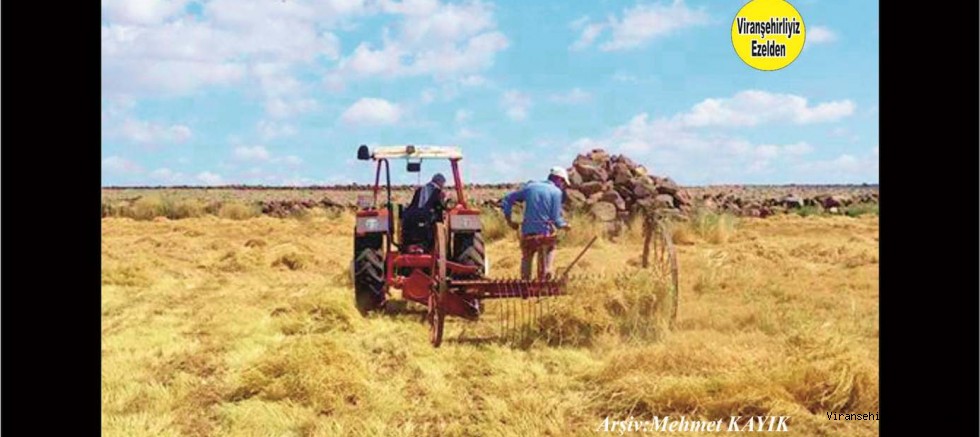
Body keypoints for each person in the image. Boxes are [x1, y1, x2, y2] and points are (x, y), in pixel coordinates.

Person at [501, 167, 572, 279]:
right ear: (559, 179)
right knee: (550, 248)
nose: (563, 186)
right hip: (545, 232)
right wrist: (565, 225)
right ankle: (547, 272)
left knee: (527, 256)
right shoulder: (556, 192)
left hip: (527, 231)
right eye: (563, 183)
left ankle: (525, 282)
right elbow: (556, 218)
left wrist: (509, 220)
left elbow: (507, 199)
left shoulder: (530, 187)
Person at [402, 173, 447, 250]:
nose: (443, 185)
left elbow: (413, 204)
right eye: (443, 183)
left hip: (411, 219)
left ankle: (408, 245)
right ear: (439, 181)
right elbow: (440, 207)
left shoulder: (420, 190)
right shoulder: (438, 192)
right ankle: (431, 246)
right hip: (427, 220)